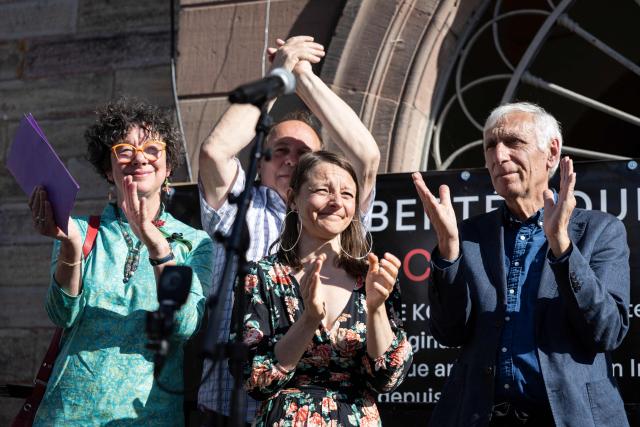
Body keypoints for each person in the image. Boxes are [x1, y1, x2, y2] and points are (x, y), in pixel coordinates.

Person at [197, 36, 381, 425]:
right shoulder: (239, 208)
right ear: (260, 160)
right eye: (281, 150)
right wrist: (278, 75)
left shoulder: (337, 211)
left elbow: (366, 155)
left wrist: (304, 76)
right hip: (230, 405)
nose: (292, 161)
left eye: (304, 154)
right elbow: (214, 151)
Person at [412, 102, 630, 426]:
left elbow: (607, 332)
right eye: (490, 146)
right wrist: (448, 250)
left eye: (513, 142)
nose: (499, 156)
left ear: (551, 153)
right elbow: (449, 332)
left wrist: (561, 246)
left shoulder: (600, 231)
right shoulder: (468, 236)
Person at [29, 99, 213, 426]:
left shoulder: (195, 243)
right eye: (124, 150)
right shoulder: (80, 230)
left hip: (148, 416)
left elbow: (184, 324)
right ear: (106, 168)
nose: (140, 157)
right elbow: (61, 313)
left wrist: (153, 240)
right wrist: (70, 245)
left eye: (152, 148)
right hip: (69, 414)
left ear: (169, 166)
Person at [235, 150, 412, 426]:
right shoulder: (261, 276)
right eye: (322, 190)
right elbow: (255, 381)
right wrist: (308, 321)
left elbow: (387, 377)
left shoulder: (372, 276)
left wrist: (376, 307)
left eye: (347, 194)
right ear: (293, 198)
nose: (336, 202)